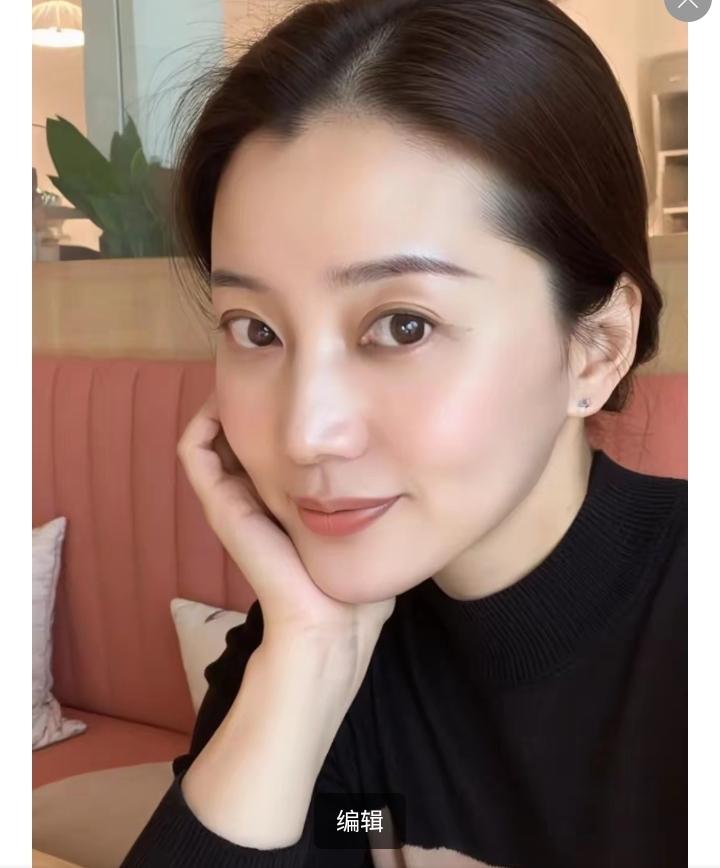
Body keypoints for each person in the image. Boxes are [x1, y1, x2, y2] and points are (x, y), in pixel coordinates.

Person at [119, 0, 687, 865]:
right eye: (256, 330)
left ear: (596, 349)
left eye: (404, 326)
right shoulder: (306, 642)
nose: (307, 434)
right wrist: (307, 663)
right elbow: (353, 825)